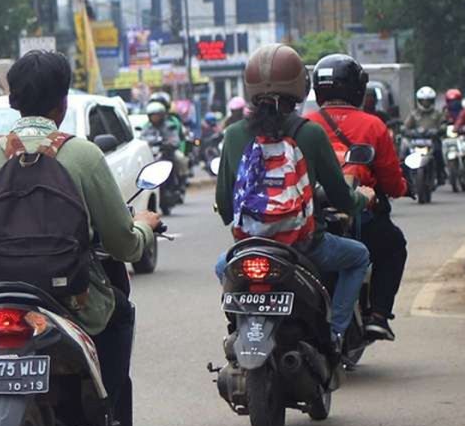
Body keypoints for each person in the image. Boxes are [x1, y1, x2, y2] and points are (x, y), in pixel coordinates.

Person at [0, 50, 161, 426]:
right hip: (72, 304)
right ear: (62, 102)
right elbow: (123, 244)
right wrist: (145, 230)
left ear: (13, 100)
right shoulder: (83, 155)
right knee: (120, 314)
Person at [214, 44, 372, 346]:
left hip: (250, 247)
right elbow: (342, 198)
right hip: (304, 246)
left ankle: (237, 327)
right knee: (359, 256)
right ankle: (336, 333)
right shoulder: (310, 133)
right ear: (300, 86)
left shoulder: (233, 135)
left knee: (222, 266)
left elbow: (224, 206)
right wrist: (362, 198)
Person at [307, 54, 409, 342]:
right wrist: (401, 188)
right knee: (394, 246)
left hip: (309, 216)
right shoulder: (373, 126)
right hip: (358, 212)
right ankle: (378, 316)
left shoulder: (304, 124)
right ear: (357, 89)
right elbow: (391, 182)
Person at [405, 86, 447, 184]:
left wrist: (440, 130)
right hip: (416, 141)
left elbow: (443, 124)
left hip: (432, 140)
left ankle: (440, 174)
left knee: (438, 153)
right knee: (405, 154)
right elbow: (406, 126)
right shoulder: (414, 114)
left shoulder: (437, 114)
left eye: (428, 101)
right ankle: (405, 176)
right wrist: (406, 130)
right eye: (423, 101)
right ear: (419, 101)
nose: (426, 103)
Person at [145, 100, 190, 182]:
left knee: (180, 158)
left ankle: (182, 179)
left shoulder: (170, 126)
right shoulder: (147, 127)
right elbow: (142, 138)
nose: (155, 118)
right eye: (152, 116)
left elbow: (175, 140)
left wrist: (168, 144)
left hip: (167, 152)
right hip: (152, 153)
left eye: (156, 115)